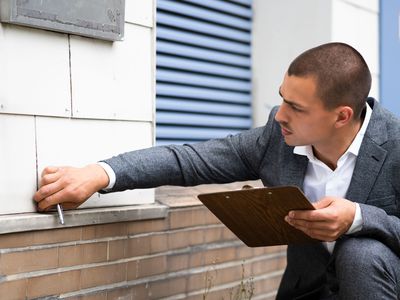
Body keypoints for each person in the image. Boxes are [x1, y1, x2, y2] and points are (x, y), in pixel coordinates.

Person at [34, 42, 400, 299]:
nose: (279, 113)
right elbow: (189, 159)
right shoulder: (275, 138)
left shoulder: (395, 145)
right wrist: (100, 174)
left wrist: (358, 218)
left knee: (361, 252)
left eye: (295, 106)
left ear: (341, 116)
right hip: (308, 291)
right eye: (281, 96)